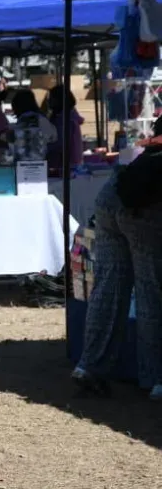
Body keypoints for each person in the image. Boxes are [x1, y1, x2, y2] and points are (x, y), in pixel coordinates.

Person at [73, 116, 162, 399]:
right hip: (142, 208)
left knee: (108, 289)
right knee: (151, 293)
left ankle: (90, 366)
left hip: (112, 197)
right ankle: (156, 379)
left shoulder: (152, 145)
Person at [47, 85, 84, 172]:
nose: (48, 101)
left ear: (59, 100)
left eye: (51, 98)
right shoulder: (67, 116)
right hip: (69, 163)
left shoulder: (65, 120)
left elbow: (60, 142)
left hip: (66, 165)